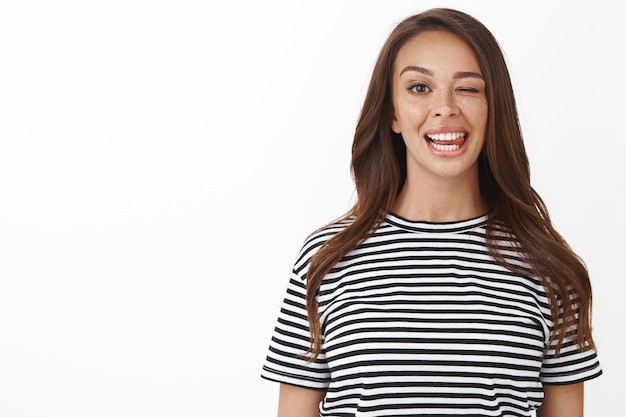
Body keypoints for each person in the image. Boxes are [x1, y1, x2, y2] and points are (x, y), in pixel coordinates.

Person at [261, 7, 602, 417]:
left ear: (495, 108)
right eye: (420, 88)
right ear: (391, 112)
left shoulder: (548, 267)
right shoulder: (326, 259)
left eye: (469, 89)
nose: (445, 108)